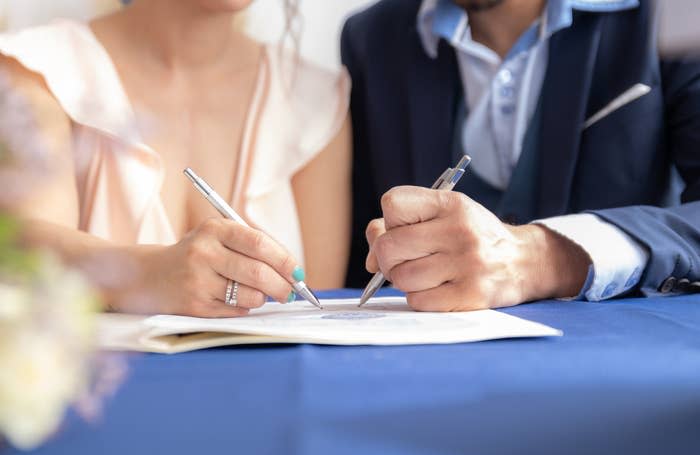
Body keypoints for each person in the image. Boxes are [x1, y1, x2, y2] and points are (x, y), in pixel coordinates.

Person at [342, 0, 700, 311]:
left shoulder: (674, 14)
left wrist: (544, 258)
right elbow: (359, 254)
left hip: (623, 361)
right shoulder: (372, 38)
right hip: (436, 366)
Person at [0, 0, 351, 316]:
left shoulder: (313, 100)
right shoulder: (35, 71)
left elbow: (315, 318)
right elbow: (19, 250)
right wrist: (144, 275)